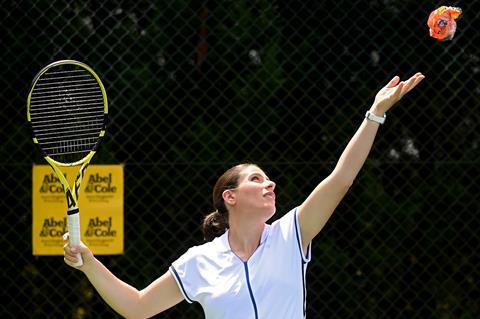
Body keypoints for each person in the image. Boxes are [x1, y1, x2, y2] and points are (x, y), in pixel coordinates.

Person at [63, 72, 425, 319]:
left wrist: (374, 114)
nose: (270, 184)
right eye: (257, 178)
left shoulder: (291, 235)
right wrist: (89, 263)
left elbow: (342, 177)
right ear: (229, 197)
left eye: (269, 179)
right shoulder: (199, 261)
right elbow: (137, 307)